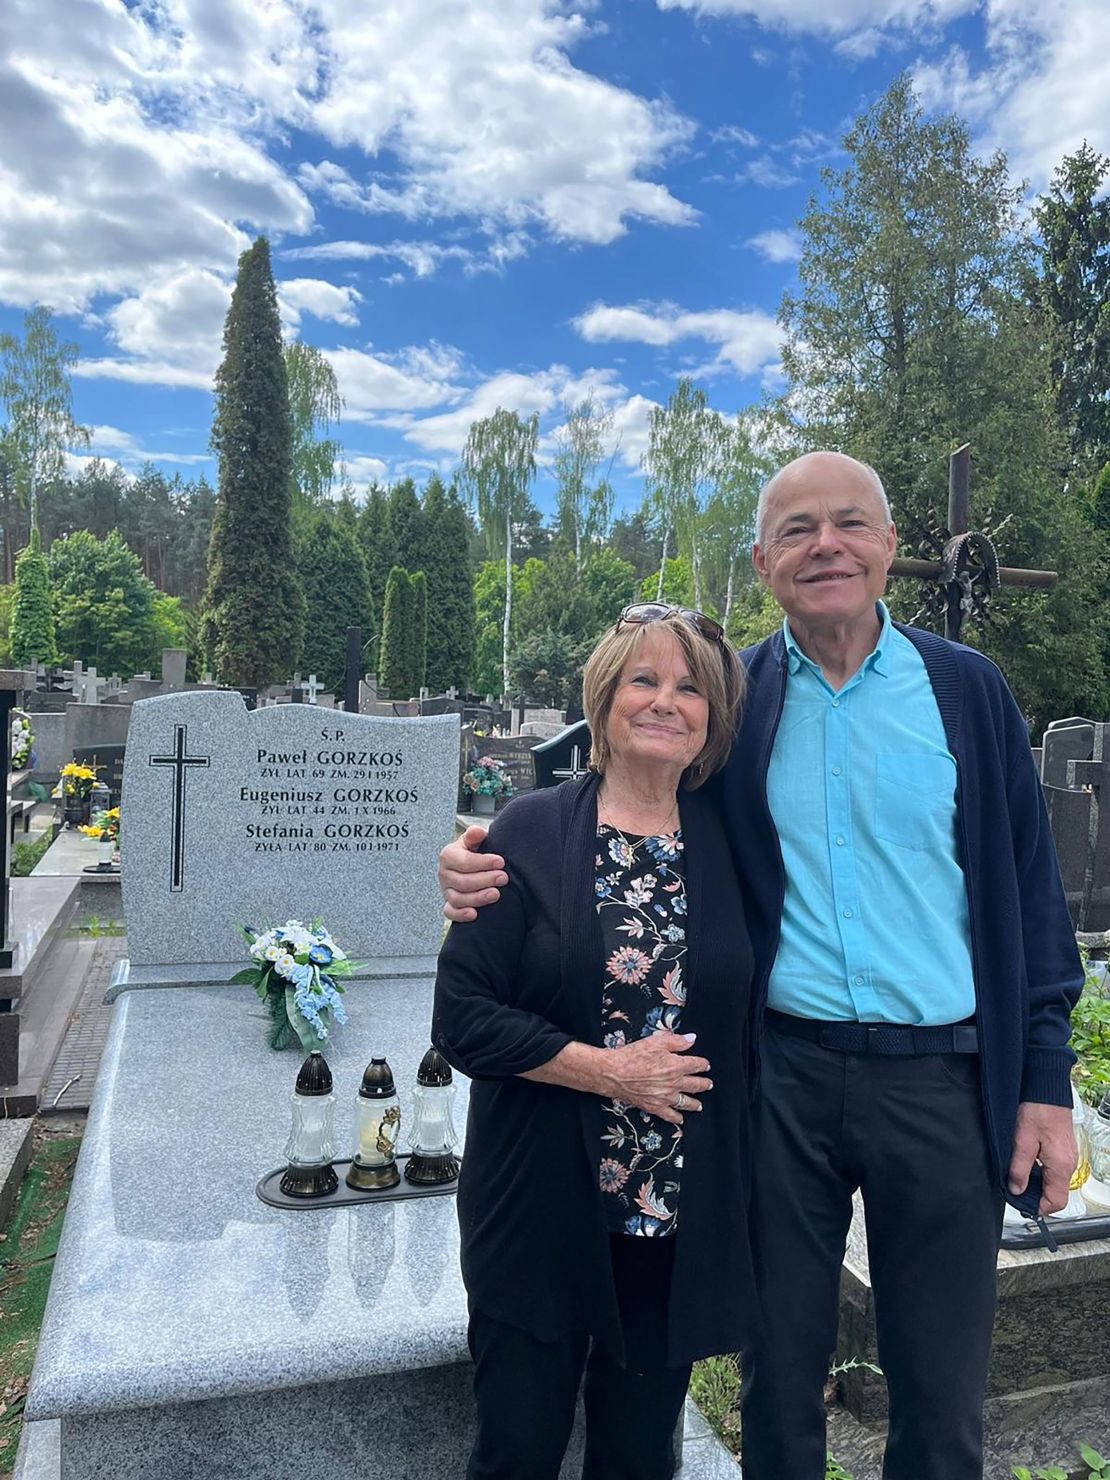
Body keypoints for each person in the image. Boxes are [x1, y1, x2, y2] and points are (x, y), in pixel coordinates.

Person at [438, 451, 1083, 1480]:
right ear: (763, 560)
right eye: (797, 529)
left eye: (849, 524)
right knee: (778, 1381)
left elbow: (1029, 893)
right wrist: (483, 859)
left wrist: (1044, 1081)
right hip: (776, 1082)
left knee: (943, 1397)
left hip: (943, 1078)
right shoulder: (736, 702)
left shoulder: (965, 693)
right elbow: (625, 817)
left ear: (888, 546)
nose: (825, 545)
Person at [432, 606, 758, 1480]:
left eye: (690, 687)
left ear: (713, 716)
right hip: (539, 1202)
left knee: (641, 1455)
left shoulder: (732, 846)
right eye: (643, 680)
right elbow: (462, 1017)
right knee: (518, 1447)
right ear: (604, 700)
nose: (665, 701)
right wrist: (608, 1072)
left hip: (672, 1216)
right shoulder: (530, 833)